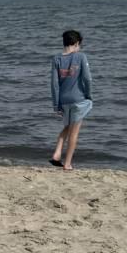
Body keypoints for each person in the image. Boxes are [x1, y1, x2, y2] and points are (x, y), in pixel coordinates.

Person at [49, 29, 93, 171]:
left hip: (64, 100)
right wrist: (89, 95)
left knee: (68, 127)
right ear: (76, 43)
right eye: (79, 44)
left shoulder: (56, 59)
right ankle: (67, 164)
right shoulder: (81, 57)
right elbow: (87, 79)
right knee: (74, 132)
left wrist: (56, 105)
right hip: (78, 99)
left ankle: (57, 153)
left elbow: (54, 85)